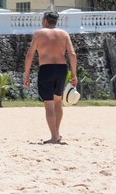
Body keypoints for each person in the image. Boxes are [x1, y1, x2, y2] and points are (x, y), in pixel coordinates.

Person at [23, 11, 77, 144]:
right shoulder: (64, 34)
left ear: (46, 20)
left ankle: (53, 137)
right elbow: (72, 54)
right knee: (58, 102)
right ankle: (56, 134)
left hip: (46, 69)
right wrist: (74, 75)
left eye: (42, 19)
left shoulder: (39, 34)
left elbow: (30, 55)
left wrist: (27, 74)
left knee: (49, 104)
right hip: (61, 69)